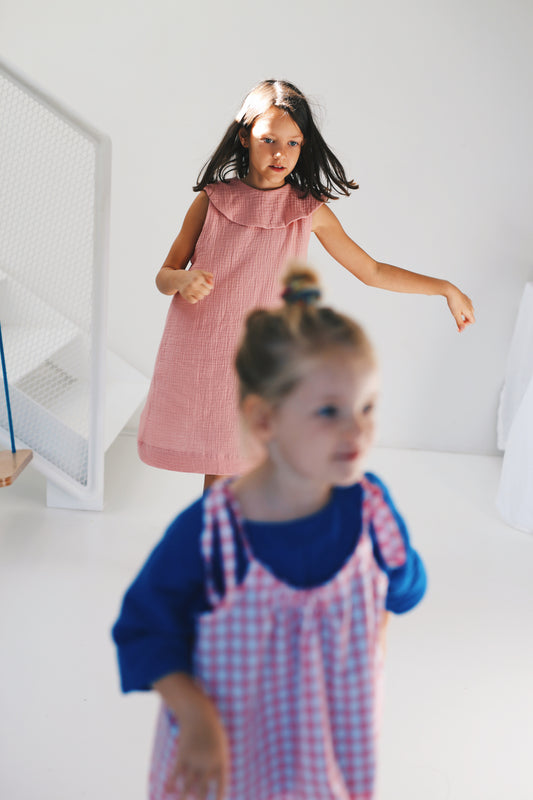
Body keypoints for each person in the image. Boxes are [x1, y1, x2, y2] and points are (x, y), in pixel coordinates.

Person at [114, 265, 427, 800]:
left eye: (367, 407)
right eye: (329, 412)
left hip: (326, 746)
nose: (358, 431)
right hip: (223, 750)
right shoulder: (212, 530)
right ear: (264, 420)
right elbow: (144, 630)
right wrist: (195, 719)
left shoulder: (371, 510)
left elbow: (404, 588)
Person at [138, 78, 475, 491]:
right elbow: (164, 274)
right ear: (245, 137)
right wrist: (181, 279)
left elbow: (371, 271)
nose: (280, 153)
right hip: (208, 351)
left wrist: (444, 288)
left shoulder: (307, 211)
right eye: (268, 140)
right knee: (225, 466)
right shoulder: (212, 201)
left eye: (293, 143)